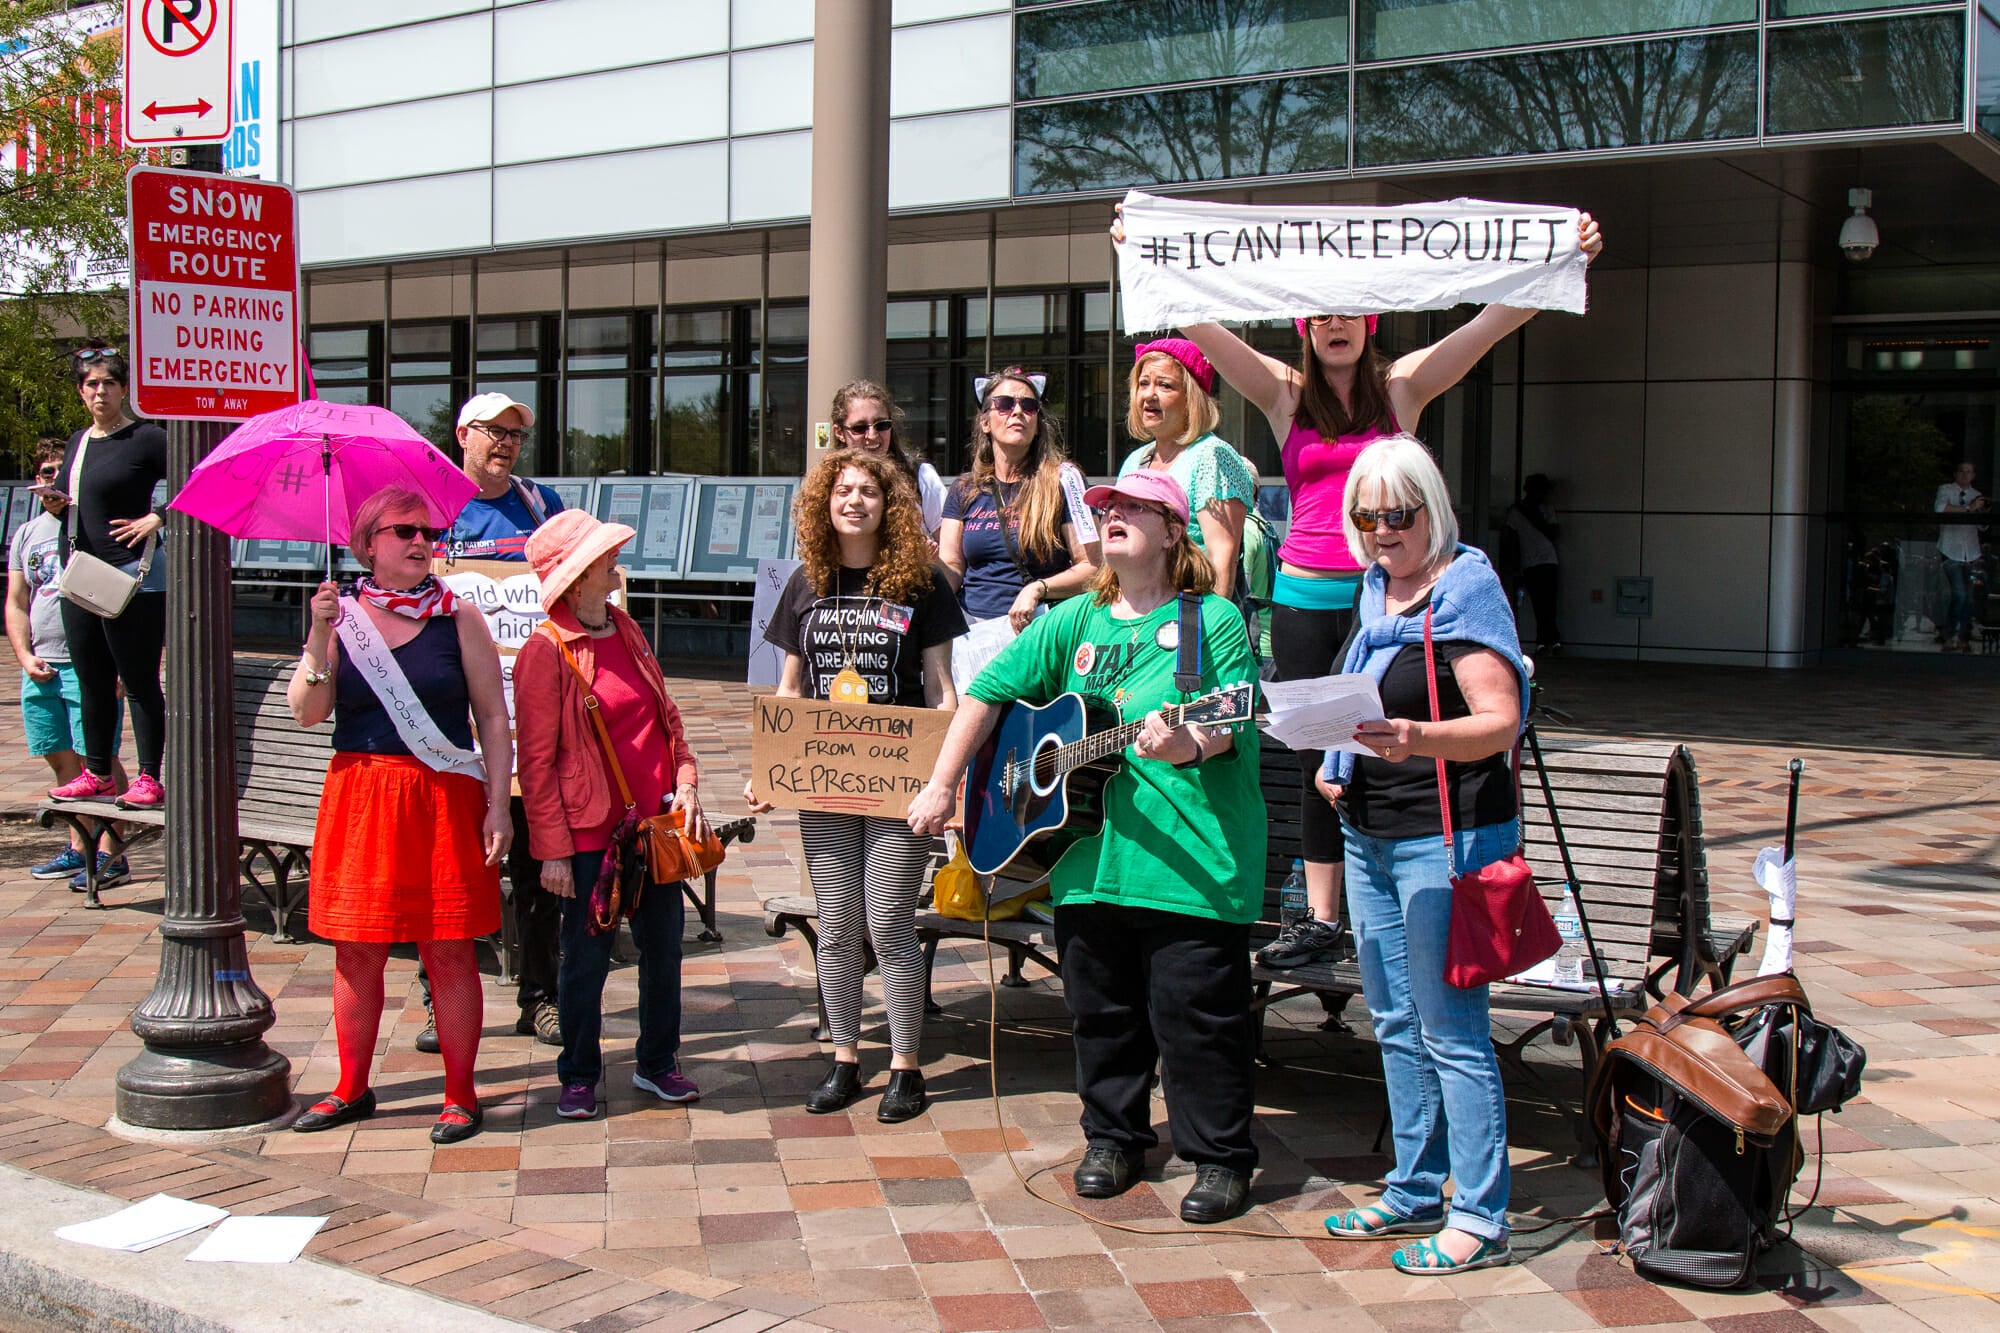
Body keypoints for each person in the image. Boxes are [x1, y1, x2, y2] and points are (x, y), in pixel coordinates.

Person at [1158, 213, 1600, 974]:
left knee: (1393, 742)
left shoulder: (1403, 385)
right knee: (1315, 758)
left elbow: (1494, 323)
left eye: (1349, 311)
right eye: (1320, 313)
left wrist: (1563, 255)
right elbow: (1205, 324)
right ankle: (1327, 917)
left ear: (1370, 318)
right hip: (1304, 602)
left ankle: (1390, 912)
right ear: (1305, 324)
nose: (1335, 324)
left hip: (1387, 605)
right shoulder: (1285, 391)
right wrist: (1148, 256)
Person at [909, 471, 1267, 1225]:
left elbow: (1225, 723)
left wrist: (1184, 742)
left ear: (1174, 532)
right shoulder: (1074, 619)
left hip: (1189, 861)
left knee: (1195, 1018)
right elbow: (987, 693)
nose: (1114, 515)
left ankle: (1221, 1156)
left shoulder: (1212, 623)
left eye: (1137, 506)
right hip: (1082, 858)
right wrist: (945, 784)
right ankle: (1112, 1137)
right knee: (1101, 1013)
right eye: (1107, 507)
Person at [1313, 436, 1530, 1276]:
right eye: (1365, 517)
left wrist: (1415, 739)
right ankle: (1414, 1184)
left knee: (1452, 1028)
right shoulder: (1374, 591)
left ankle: (1481, 1214)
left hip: (1446, 838)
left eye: (1395, 514)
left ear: (1429, 508)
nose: (1379, 532)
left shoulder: (1465, 586)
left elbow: (1500, 720)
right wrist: (1334, 754)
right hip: (1371, 833)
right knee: (1398, 1021)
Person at [286, 486, 512, 1145]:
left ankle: (460, 1094)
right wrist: (319, 631)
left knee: (448, 947)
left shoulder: (458, 617)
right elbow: (307, 710)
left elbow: (493, 719)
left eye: (429, 531)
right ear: (367, 544)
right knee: (356, 950)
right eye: (403, 531)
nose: (421, 542)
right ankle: (351, 1087)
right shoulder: (341, 615)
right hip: (361, 799)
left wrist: (498, 803)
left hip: (443, 800)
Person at [746, 449, 963, 1122]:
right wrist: (768, 771)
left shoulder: (922, 582)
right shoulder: (806, 582)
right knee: (838, 925)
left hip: (900, 783)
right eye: (843, 490)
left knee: (890, 921)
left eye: (869, 490)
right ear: (823, 503)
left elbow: (941, 690)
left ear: (888, 504)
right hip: (824, 779)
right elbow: (787, 690)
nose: (855, 500)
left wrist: (945, 782)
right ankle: (844, 1056)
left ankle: (906, 1066)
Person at [515, 510, 708, 1120]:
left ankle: (658, 1062)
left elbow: (666, 717)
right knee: (587, 957)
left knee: (664, 947)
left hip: (654, 826)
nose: (614, 564)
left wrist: (687, 782)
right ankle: (577, 1072)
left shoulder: (625, 628)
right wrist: (549, 849)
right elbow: (536, 762)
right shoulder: (544, 653)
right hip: (588, 832)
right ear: (576, 579)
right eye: (603, 558)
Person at [441, 390, 567, 1050]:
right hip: (450, 724)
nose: (506, 444)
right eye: (494, 431)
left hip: (528, 723)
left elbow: (583, 575)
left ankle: (539, 997)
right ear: (462, 433)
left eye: (516, 434)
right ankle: (444, 996)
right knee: (455, 869)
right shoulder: (429, 505)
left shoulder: (542, 506)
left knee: (539, 864)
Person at [47, 348, 167, 812]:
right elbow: (73, 496)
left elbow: (195, 474)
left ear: (123, 390)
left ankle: (150, 777)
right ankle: (97, 773)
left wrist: (156, 517)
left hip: (131, 577)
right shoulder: (78, 441)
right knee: (91, 680)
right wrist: (57, 504)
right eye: (92, 384)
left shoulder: (146, 438)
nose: (101, 391)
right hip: (81, 577)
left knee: (137, 681)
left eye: (109, 383)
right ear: (81, 392)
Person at [7, 439, 128, 889]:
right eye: (43, 473)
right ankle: (79, 849)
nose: (49, 481)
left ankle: (112, 853)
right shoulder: (27, 532)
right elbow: (17, 601)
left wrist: (121, 663)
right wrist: (23, 655)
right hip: (42, 664)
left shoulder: (97, 527)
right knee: (62, 762)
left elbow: (125, 598)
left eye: (58, 472)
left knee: (99, 757)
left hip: (91, 664)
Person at [939, 368, 1101, 631]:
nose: (1017, 412)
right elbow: (953, 566)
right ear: (985, 422)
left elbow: (1093, 567)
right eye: (1003, 404)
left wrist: (1038, 588)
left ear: (1037, 423)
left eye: (1028, 406)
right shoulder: (964, 488)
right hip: (972, 633)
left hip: (1038, 629)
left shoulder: (1065, 480)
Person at [1116, 339, 1261, 602]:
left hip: (1191, 616)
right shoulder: (1135, 461)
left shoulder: (1212, 456)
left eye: (1164, 385)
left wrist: (1209, 636)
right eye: (1143, 383)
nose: (1149, 395)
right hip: (1137, 618)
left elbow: (1222, 564)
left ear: (1191, 397)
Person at [830, 379, 946, 538]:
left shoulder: (919, 475)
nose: (872, 435)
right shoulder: (827, 481)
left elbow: (949, 552)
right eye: (860, 428)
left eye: (881, 425)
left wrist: (923, 554)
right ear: (839, 432)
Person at [1504, 473, 1561, 652]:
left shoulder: (1540, 509)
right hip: (1534, 562)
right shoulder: (1519, 511)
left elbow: (1554, 533)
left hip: (1543, 561)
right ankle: (1546, 640)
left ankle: (1547, 640)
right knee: (1542, 602)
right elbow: (1511, 540)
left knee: (1546, 602)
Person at [1935, 461, 1986, 652]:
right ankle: (1951, 634)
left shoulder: (1977, 496)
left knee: (1969, 598)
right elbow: (1940, 508)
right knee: (1960, 593)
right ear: (1956, 473)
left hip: (1971, 551)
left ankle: (1962, 635)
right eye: (1962, 471)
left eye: (1969, 472)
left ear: (1973, 475)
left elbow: (1982, 527)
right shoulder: (1946, 490)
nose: (1965, 475)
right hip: (1951, 550)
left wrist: (1982, 514)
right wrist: (1968, 509)